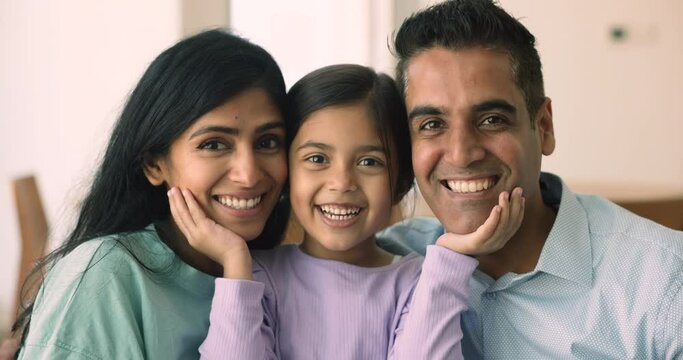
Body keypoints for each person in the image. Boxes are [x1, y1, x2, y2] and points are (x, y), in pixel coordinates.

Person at [376, 0, 683, 359]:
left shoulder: (664, 282)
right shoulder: (384, 265)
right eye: (431, 125)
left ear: (544, 127)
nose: (461, 154)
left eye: (492, 119)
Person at [169, 64, 525, 358]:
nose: (341, 183)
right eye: (317, 159)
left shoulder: (422, 282)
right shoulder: (257, 280)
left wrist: (448, 264)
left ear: (400, 183)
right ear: (287, 174)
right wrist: (235, 262)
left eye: (369, 161)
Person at [13, 29, 291, 359]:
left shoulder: (282, 275)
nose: (248, 174)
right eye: (213, 144)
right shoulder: (105, 275)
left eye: (268, 142)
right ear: (154, 165)